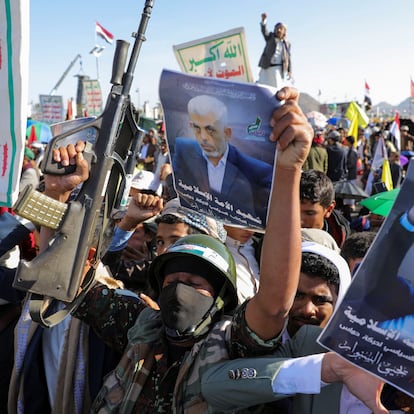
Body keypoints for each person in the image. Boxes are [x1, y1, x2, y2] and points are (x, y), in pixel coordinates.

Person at [43, 86, 314, 412]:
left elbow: (273, 304)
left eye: (197, 283)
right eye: (172, 281)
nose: (180, 289)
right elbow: (62, 279)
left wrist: (288, 171)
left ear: (220, 297)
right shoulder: (139, 326)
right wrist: (55, 195)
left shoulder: (234, 344)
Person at [172, 94, 273, 225]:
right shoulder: (184, 150)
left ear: (227, 133)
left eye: (210, 130)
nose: (203, 137)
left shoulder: (256, 171)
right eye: (197, 128)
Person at [300, 169, 351, 248]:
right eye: (293, 212)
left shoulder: (340, 237)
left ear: (329, 209)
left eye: (309, 213)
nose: (300, 221)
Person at [257, 13, 292, 89]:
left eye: (280, 28)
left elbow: (288, 58)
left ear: (284, 31)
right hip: (266, 67)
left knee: (276, 89)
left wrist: (289, 71)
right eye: (277, 28)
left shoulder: (287, 44)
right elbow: (264, 31)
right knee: (262, 87)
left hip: (277, 70)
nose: (278, 30)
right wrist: (263, 21)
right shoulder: (270, 37)